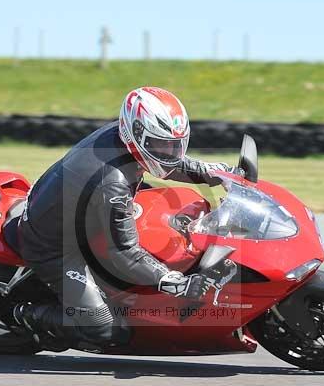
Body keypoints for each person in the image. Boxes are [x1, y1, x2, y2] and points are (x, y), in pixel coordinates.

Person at [13, 87, 233, 351]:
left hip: (82, 212)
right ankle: (24, 313)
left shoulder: (124, 137)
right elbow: (124, 253)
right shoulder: (113, 184)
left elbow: (169, 163)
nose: (169, 153)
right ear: (135, 134)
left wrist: (220, 174)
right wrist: (170, 279)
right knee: (106, 329)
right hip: (56, 246)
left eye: (175, 145)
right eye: (161, 144)